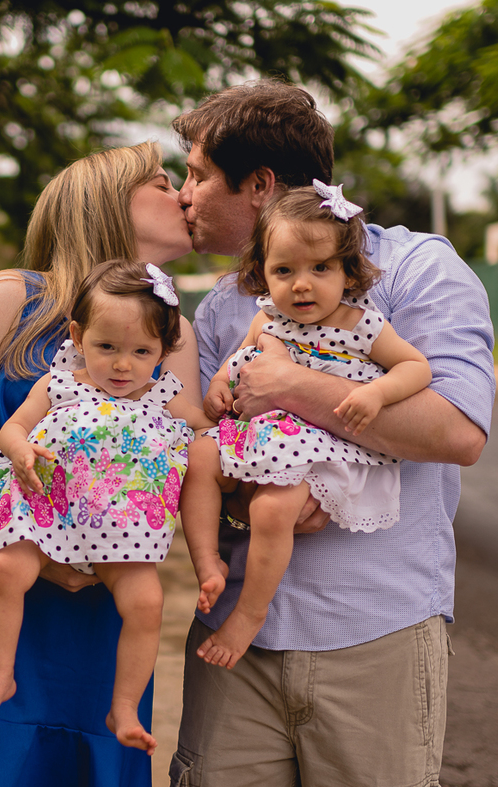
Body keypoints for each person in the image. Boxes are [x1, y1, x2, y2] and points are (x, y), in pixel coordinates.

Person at [169, 80, 495, 787]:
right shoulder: (225, 305)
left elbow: (458, 430)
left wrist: (292, 386)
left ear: (259, 185)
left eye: (196, 175)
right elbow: (206, 450)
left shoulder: (417, 270)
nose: (183, 195)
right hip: (236, 647)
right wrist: (252, 498)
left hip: (376, 635)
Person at [0, 141, 201, 787]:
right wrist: (22, 538)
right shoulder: (13, 297)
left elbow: (182, 453)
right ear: (109, 200)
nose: (185, 196)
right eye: (164, 183)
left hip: (98, 600)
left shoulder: (174, 334)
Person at [0, 259, 214, 754]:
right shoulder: (60, 383)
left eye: (141, 351)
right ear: (78, 335)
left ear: (163, 350)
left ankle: (124, 706)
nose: (122, 365)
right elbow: (13, 426)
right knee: (7, 567)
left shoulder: (164, 394)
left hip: (122, 529)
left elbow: (204, 429)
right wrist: (19, 448)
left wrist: (219, 422)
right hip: (49, 511)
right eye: (107, 347)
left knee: (146, 603)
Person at [184, 182, 432, 670]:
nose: (302, 284)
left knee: (273, 508)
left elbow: (415, 367)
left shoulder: (361, 325)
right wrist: (218, 384)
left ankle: (249, 613)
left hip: (322, 442)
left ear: (348, 271)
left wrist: (377, 393)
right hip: (266, 434)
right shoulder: (266, 319)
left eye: (320, 268)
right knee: (200, 456)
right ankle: (207, 559)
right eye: (284, 271)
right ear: (262, 273)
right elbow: (235, 361)